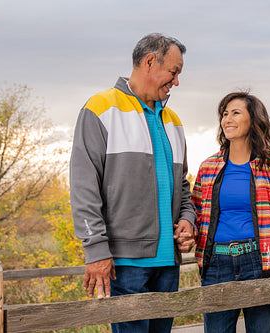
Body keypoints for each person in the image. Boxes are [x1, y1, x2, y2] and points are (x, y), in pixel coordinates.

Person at [69, 33, 196, 332]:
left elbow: (183, 187)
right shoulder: (100, 108)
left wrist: (187, 219)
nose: (176, 82)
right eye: (174, 72)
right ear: (150, 62)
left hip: (169, 265)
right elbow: (83, 187)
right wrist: (96, 250)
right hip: (125, 265)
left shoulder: (173, 121)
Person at [191, 91, 270, 333]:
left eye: (235, 113)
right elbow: (194, 215)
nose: (227, 119)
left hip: (260, 263)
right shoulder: (208, 168)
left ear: (253, 120)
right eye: (224, 114)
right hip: (217, 266)